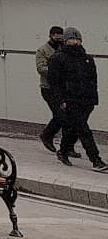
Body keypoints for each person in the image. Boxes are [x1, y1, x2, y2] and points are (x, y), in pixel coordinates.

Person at [48, 27, 106, 171]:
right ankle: (96, 161)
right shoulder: (58, 58)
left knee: (75, 128)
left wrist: (93, 98)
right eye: (72, 39)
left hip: (86, 100)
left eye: (78, 39)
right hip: (70, 100)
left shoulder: (87, 58)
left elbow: (93, 80)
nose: (75, 42)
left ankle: (62, 151)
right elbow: (54, 82)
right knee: (83, 129)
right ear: (66, 41)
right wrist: (60, 100)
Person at [38, 25, 69, 153]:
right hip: (49, 88)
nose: (58, 38)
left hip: (64, 88)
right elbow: (41, 68)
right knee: (60, 115)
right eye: (56, 35)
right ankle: (47, 135)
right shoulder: (43, 50)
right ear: (50, 35)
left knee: (70, 116)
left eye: (60, 35)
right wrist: (57, 71)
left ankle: (68, 147)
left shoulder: (65, 48)